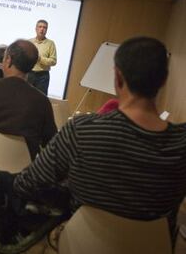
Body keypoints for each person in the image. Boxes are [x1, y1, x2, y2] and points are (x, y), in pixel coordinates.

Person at [14, 37, 186, 243]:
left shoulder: (82, 130)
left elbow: (26, 184)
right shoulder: (181, 143)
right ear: (164, 80)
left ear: (118, 77)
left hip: (83, 245)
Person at [27, 19, 57, 95]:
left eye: (44, 27)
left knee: (40, 99)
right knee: (26, 96)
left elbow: (53, 61)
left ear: (47, 30)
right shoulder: (29, 42)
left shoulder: (51, 43)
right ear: (36, 29)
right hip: (29, 74)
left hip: (43, 76)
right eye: (40, 27)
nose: (42, 29)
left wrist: (40, 59)